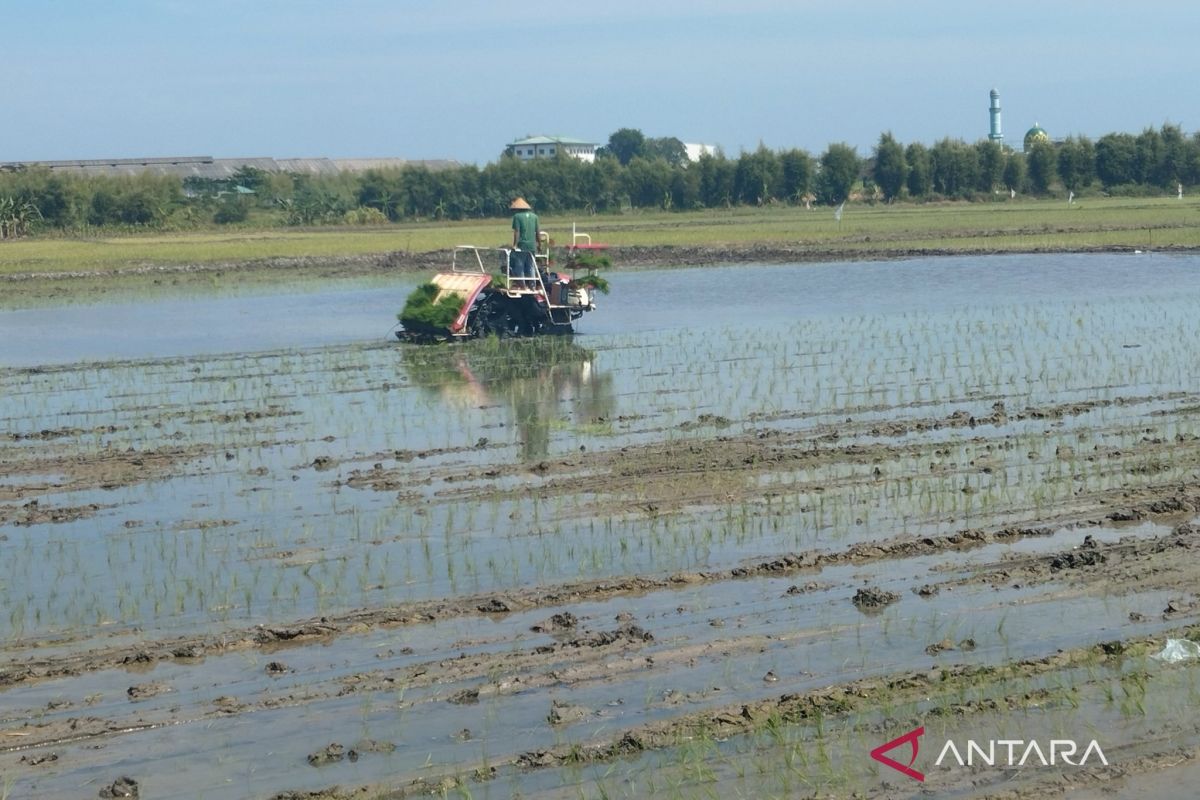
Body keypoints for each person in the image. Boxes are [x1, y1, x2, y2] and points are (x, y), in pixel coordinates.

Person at [509, 197, 541, 289]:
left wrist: (515, 245)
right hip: (532, 245)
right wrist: (539, 244)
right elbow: (537, 232)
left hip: (522, 245)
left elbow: (517, 232)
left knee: (519, 265)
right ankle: (532, 285)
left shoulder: (517, 217)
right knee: (531, 265)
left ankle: (522, 285)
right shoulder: (535, 216)